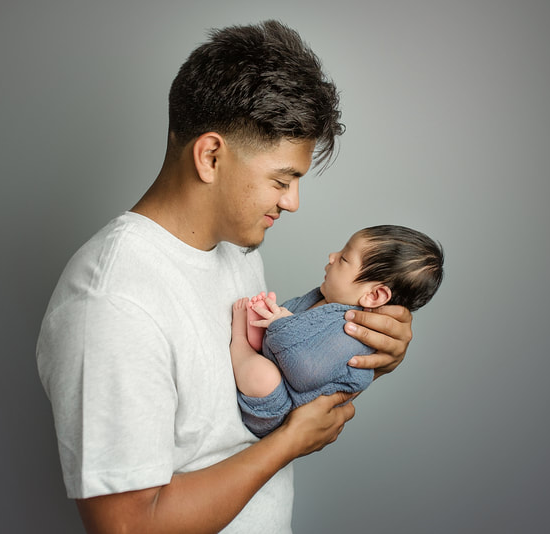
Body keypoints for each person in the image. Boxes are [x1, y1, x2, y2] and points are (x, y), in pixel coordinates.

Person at [36, 21, 414, 533]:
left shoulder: (233, 248)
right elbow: (127, 527)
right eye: (281, 180)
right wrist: (288, 444)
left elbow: (267, 391)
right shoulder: (111, 302)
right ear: (211, 156)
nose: (292, 202)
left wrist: (369, 350)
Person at [231, 225, 444, 437]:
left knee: (263, 376)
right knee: (276, 327)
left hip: (280, 411)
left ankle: (240, 343)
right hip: (280, 363)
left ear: (374, 295)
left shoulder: (354, 333)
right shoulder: (325, 301)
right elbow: (296, 318)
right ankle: (259, 341)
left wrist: (281, 324)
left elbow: (305, 373)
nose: (332, 256)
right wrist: (275, 315)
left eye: (344, 259)